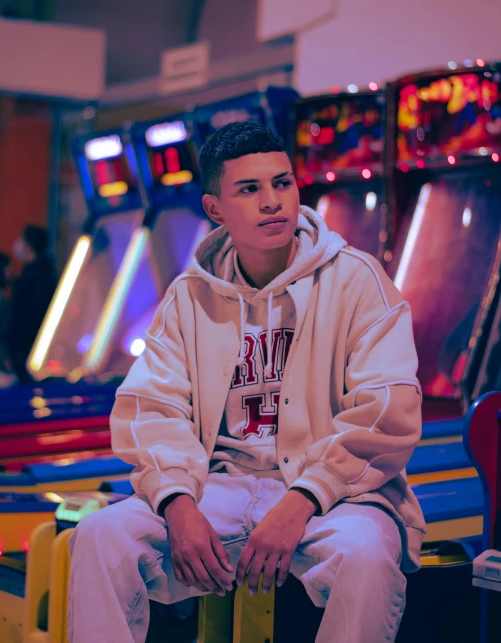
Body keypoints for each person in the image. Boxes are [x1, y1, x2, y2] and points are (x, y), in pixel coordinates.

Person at [68, 121, 426, 643]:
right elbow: (150, 408)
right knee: (100, 535)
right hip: (217, 489)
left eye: (282, 183)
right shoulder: (189, 296)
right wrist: (176, 501)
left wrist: (304, 497)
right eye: (250, 189)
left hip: (332, 494)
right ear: (215, 209)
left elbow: (385, 410)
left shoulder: (357, 280)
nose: (272, 202)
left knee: (367, 556)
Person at [8, 225, 57, 381]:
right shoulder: (36, 271)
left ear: (29, 245)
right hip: (25, 346)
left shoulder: (39, 274)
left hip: (29, 347)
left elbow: (33, 312)